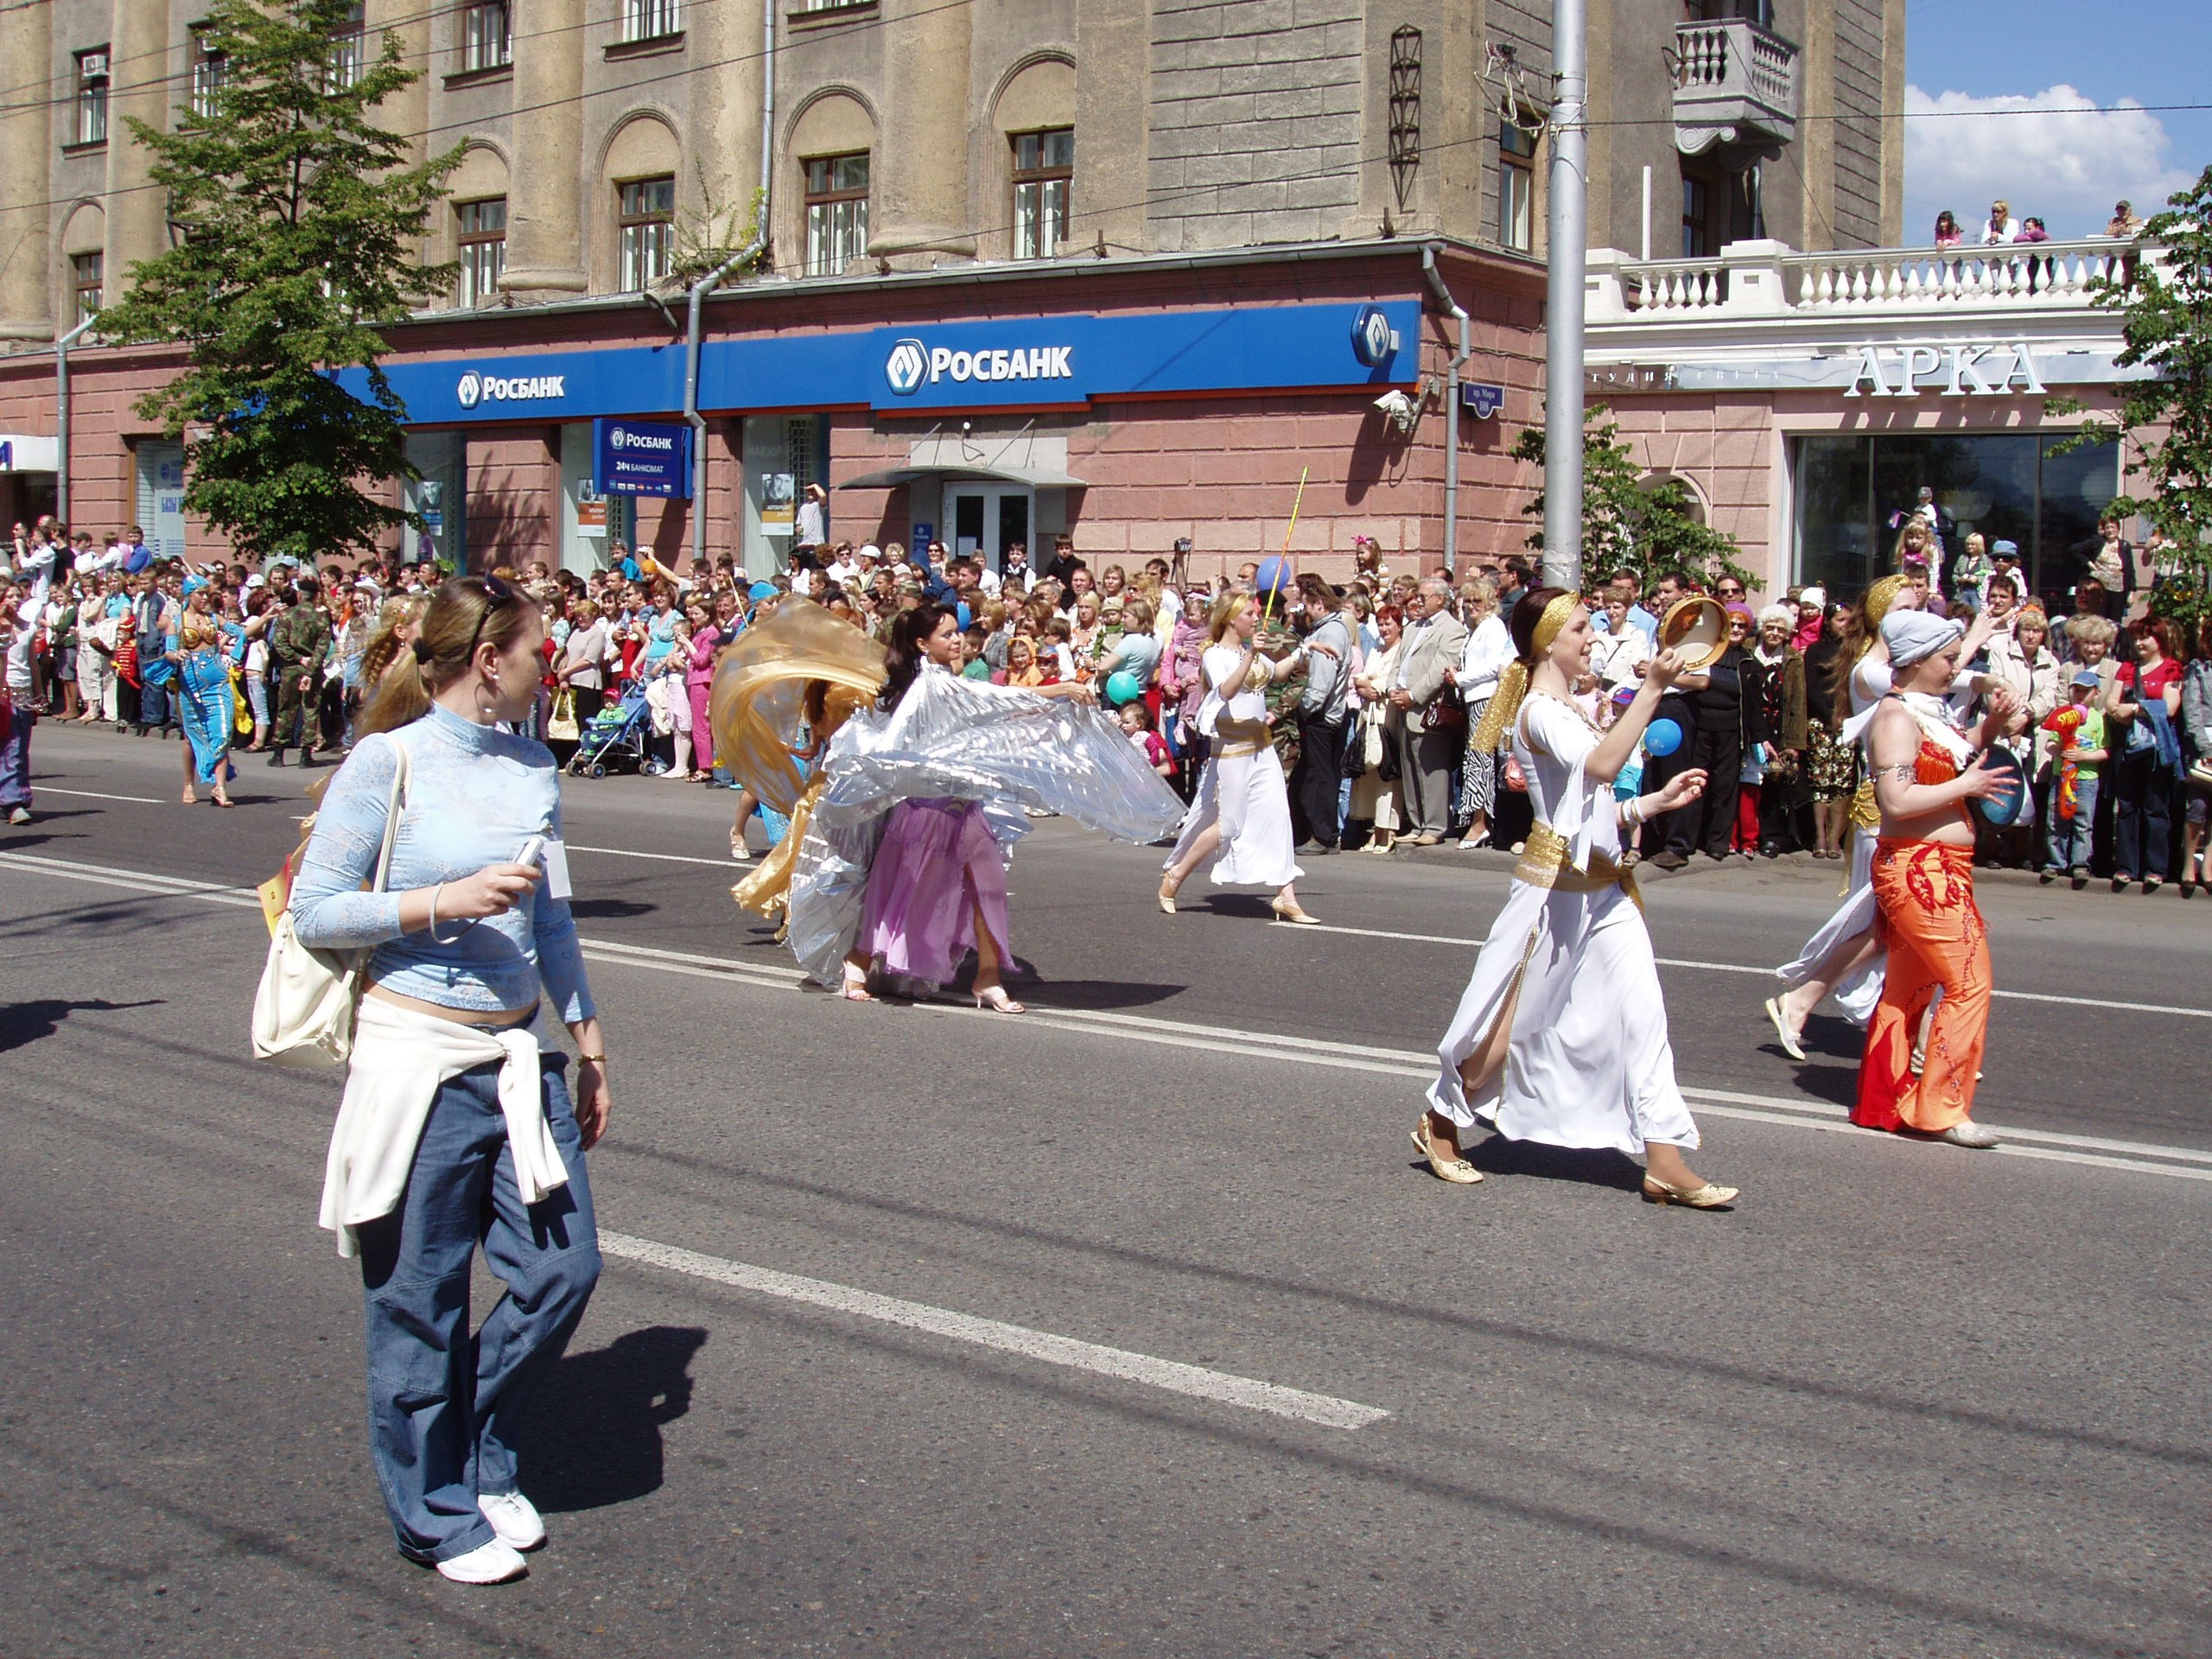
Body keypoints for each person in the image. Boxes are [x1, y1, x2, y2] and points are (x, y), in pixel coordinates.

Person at [289, 575, 608, 1586]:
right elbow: (317, 912)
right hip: (419, 1064)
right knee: (419, 1300)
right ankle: (433, 1513)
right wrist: (444, 900)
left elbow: (549, 916)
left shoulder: (532, 769)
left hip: (520, 1059)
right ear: (488, 660)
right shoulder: (388, 763)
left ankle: (477, 1449)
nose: (544, 667)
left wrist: (588, 1036)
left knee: (564, 1269)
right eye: (535, 652)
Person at [1415, 588, 1732, 1205]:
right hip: (1555, 893)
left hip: (1608, 887)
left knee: (1644, 1019)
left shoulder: (1572, 707)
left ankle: (1664, 1159)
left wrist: (1653, 804)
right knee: (1507, 1032)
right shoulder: (1540, 712)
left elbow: (1591, 805)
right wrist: (1652, 689)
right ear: (1549, 642)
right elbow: (1599, 768)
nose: (1592, 637)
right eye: (1582, 628)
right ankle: (1441, 1119)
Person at [1852, 609, 2022, 1148]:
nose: (1955, 668)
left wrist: (1989, 728)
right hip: (1921, 871)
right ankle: (1942, 1108)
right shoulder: (1896, 718)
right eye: (1949, 659)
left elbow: (1951, 756)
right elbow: (1896, 800)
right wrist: (1965, 787)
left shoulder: (1925, 712)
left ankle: (1888, 1100)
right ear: (1919, 661)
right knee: (1970, 982)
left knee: (1910, 988)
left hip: (1938, 868)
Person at [1161, 591, 1332, 923]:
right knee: (1228, 826)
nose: (1256, 619)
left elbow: (1277, 673)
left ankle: (1287, 898)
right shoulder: (1215, 654)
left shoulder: (1247, 652)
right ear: (1230, 618)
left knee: (1278, 818)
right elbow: (1226, 690)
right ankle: (1175, 876)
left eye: (1256, 614)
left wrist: (1304, 649)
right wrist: (1251, 653)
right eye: (1250, 615)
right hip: (1231, 749)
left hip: (1261, 746)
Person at [1387, 576, 1469, 846]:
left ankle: (1435, 826)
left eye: (1424, 597)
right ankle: (1417, 822)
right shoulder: (1412, 627)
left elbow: (1440, 669)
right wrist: (1392, 689)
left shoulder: (1451, 629)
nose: (1418, 601)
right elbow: (1399, 661)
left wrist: (1413, 695)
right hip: (1402, 705)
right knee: (1409, 767)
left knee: (1431, 768)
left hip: (1426, 707)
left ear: (1440, 599)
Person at [2107, 616, 2185, 893]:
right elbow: (2111, 704)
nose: (2139, 643)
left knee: (2155, 808)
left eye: (2146, 637)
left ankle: (2156, 868)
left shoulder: (2172, 669)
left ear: (2159, 640)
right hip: (2128, 748)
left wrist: (2133, 709)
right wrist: (2136, 710)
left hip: (2156, 750)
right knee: (2127, 807)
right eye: (2136, 637)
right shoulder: (2127, 669)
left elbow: (2170, 707)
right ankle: (2126, 867)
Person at [1290, 576, 1355, 855]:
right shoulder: (1324, 630)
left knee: (1319, 777)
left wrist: (1303, 708)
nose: (1304, 612)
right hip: (1319, 713)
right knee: (1311, 775)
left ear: (1318, 603)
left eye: (1306, 605)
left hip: (1320, 716)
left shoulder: (1330, 633)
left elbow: (1322, 681)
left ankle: (1324, 835)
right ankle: (1311, 831)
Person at [1451, 576, 1512, 849]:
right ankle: (1477, 819)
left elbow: (1493, 667)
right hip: (1473, 699)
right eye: (1469, 601)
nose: (1472, 606)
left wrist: (1460, 677)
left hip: (1486, 698)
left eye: (1478, 601)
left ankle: (1480, 822)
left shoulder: (1493, 627)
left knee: (1482, 760)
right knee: (1476, 759)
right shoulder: (1475, 630)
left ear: (1489, 603)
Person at [2040, 667, 2108, 887]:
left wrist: (2083, 755)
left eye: (2086, 691)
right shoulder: (2064, 714)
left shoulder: (2098, 719)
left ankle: (2080, 864)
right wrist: (2060, 749)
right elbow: (2050, 743)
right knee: (2056, 819)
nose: (2080, 695)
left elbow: (2105, 750)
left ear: (2096, 693)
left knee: (2083, 821)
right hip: (2062, 776)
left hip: (2086, 779)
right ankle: (2055, 861)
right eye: (2077, 690)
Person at [1350, 603, 1405, 852]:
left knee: (1387, 773)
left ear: (1398, 625)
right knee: (1370, 773)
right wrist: (1365, 687)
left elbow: (1392, 680)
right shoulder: (1377, 650)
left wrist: (1375, 686)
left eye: (1388, 624)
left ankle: (1389, 829)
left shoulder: (1401, 650)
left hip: (1388, 718)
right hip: (1368, 715)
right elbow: (1360, 678)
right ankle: (1376, 829)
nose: (1384, 629)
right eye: (1381, 624)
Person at [267, 575, 330, 766]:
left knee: (286, 708)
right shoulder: (321, 620)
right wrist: (310, 668)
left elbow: (279, 643)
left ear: (301, 595)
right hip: (311, 668)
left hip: (291, 668)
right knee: (310, 708)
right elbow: (322, 648)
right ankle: (306, 754)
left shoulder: (286, 616)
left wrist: (297, 658)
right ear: (316, 596)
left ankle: (278, 753)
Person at [174, 615, 237, 808]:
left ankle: (220, 787)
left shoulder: (213, 617)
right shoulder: (177, 620)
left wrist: (266, 617)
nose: (204, 598)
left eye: (206, 594)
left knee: (223, 733)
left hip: (217, 682)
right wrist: (175, 654)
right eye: (199, 593)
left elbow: (240, 632)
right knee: (190, 737)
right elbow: (168, 650)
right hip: (190, 682)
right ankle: (188, 784)